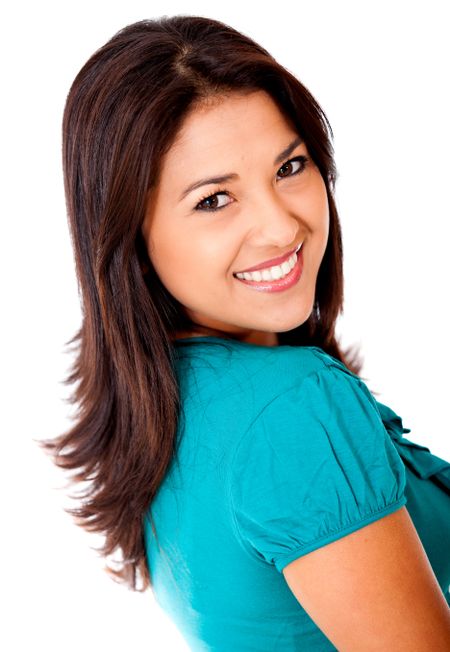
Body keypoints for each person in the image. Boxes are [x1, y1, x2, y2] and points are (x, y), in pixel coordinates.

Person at [39, 14, 450, 650]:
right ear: (134, 241)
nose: (281, 228)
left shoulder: (164, 406)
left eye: (290, 167)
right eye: (213, 200)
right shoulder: (290, 407)